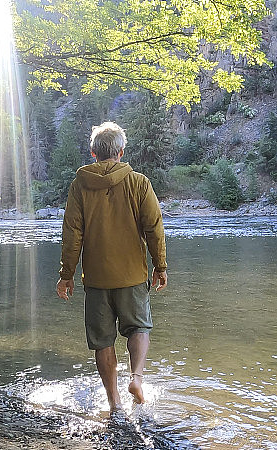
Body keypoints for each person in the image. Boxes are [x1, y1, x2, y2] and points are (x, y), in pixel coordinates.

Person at [56, 121, 168, 411]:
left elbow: (72, 233)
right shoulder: (139, 183)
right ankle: (137, 378)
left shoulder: (80, 185)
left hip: (96, 278)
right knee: (139, 327)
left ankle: (115, 404)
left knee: (103, 341)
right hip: (132, 275)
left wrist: (66, 274)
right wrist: (160, 266)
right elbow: (154, 228)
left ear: (93, 153)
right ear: (120, 152)